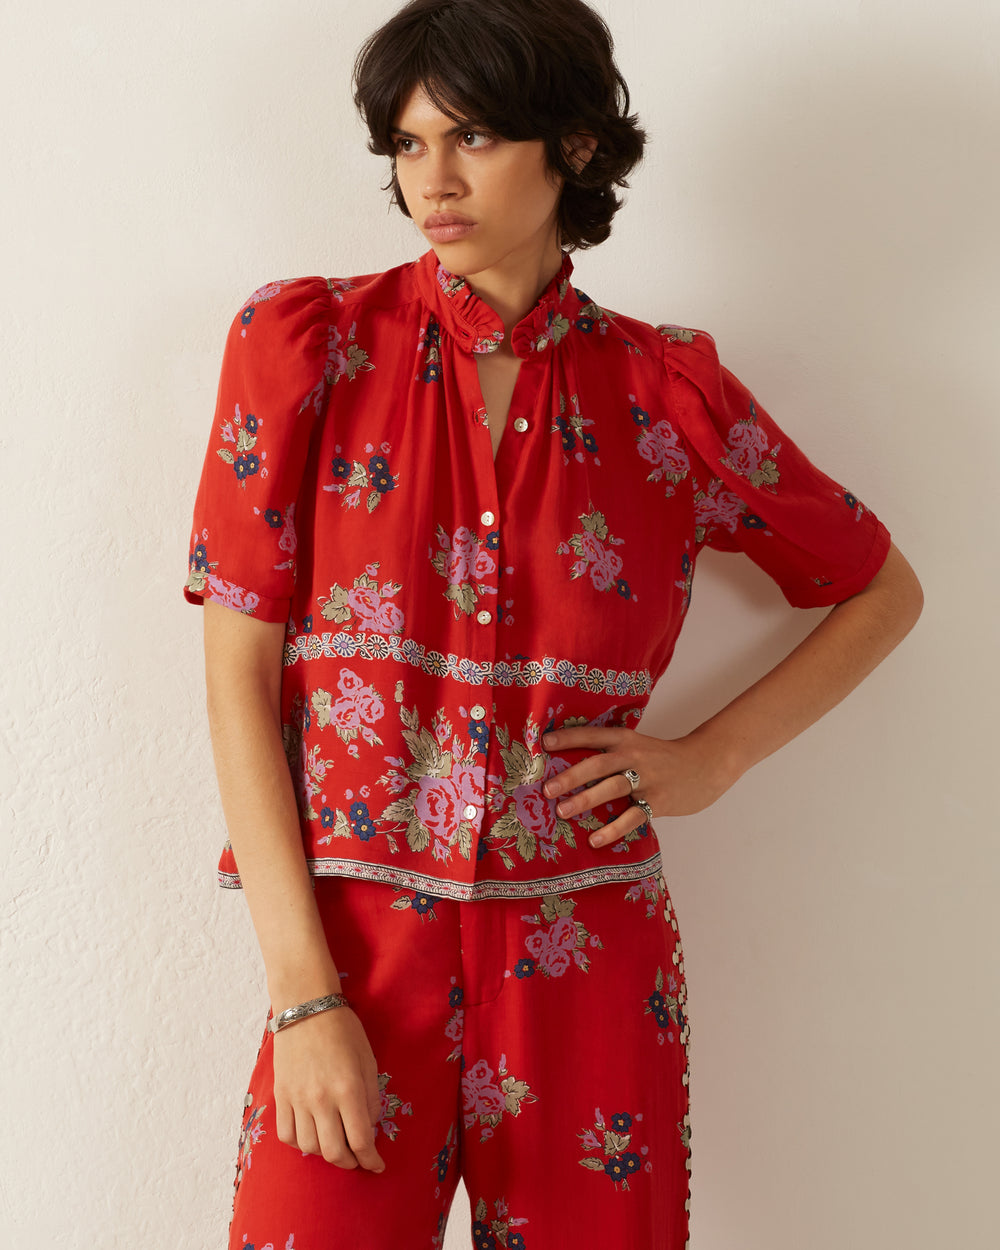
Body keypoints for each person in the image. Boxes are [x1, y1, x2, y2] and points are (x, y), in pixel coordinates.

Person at [183, 1, 923, 1246]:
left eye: (469, 136)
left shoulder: (662, 394)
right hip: (354, 954)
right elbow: (235, 681)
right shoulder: (307, 348)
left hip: (586, 959)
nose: (434, 179)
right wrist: (305, 998)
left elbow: (878, 586)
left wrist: (712, 755)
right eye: (408, 146)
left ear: (574, 146)